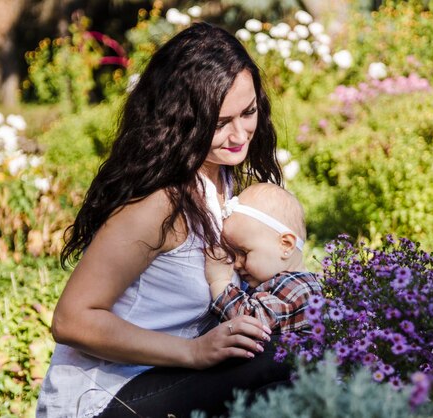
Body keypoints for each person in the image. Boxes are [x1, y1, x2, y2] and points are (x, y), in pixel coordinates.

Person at [37, 22, 291, 418]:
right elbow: (71, 320)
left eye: (249, 111)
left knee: (293, 375)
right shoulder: (157, 204)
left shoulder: (220, 177)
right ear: (184, 119)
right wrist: (195, 351)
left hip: (171, 378)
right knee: (284, 355)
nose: (240, 134)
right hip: (105, 396)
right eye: (220, 123)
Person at [205, 183, 321, 333]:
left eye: (244, 252)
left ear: (285, 245)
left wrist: (219, 282)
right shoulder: (289, 281)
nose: (236, 264)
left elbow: (252, 322)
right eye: (233, 254)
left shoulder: (297, 288)